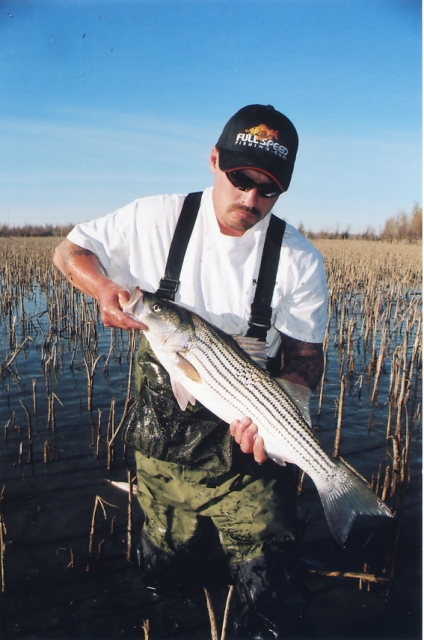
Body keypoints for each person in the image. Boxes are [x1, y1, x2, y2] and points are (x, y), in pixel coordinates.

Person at [53, 104, 328, 638]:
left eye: (268, 189)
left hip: (250, 465)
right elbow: (69, 252)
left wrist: (280, 413)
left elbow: (306, 358)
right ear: (214, 160)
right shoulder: (155, 217)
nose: (250, 199)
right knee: (164, 582)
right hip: (161, 458)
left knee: (274, 601)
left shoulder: (299, 259)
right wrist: (104, 289)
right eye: (241, 178)